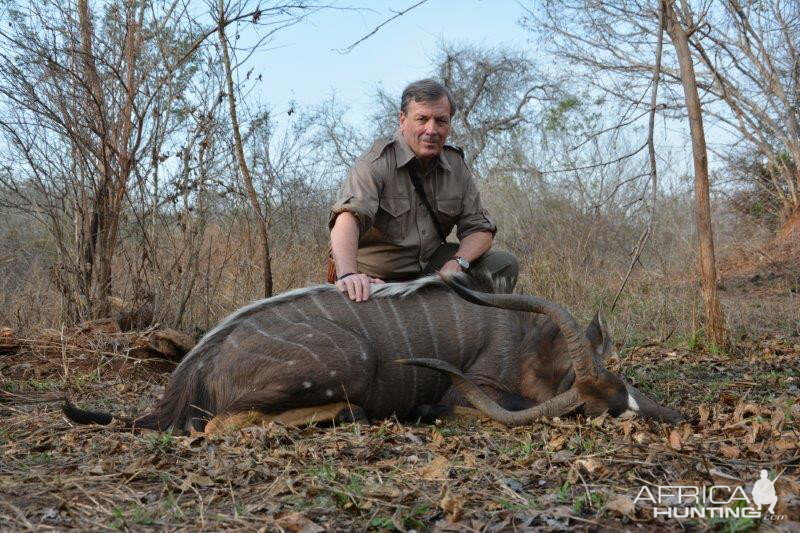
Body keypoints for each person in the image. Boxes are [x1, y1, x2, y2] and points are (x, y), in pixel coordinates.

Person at [329, 79, 518, 301]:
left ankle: (462, 327)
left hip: (427, 271)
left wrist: (458, 262)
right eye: (422, 119)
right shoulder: (376, 162)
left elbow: (479, 229)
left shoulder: (455, 165)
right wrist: (350, 274)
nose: (432, 130)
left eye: (441, 121)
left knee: (504, 265)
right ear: (402, 120)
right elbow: (347, 219)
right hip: (377, 277)